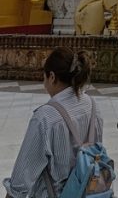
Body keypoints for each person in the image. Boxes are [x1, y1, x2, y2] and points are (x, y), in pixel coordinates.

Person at [3, 47, 103, 198]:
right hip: (90, 192)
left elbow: (21, 180)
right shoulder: (92, 105)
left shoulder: (46, 117)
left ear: (51, 76)